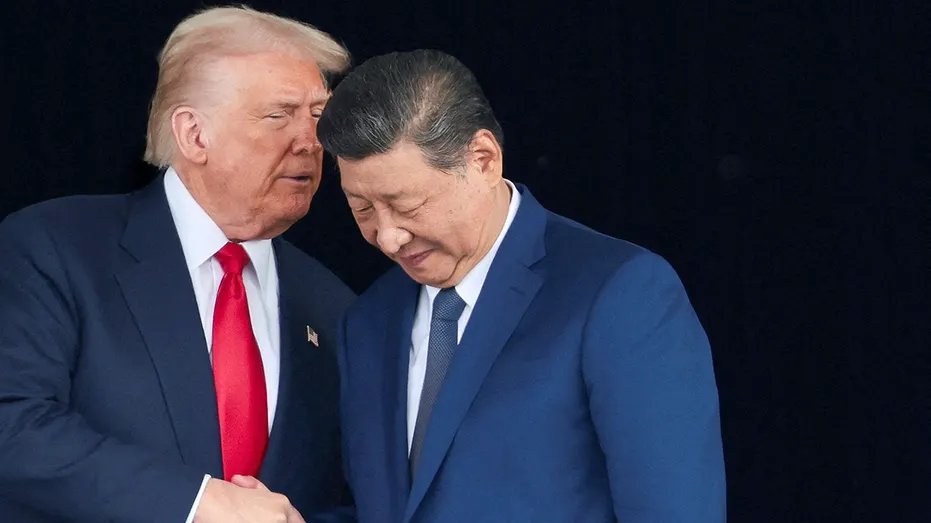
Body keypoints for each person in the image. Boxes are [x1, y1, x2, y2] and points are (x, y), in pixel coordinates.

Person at [317, 49, 727, 522]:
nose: (387, 236)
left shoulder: (620, 293)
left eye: (407, 205)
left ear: (483, 160)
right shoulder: (368, 320)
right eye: (362, 209)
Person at [0, 6, 354, 522]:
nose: (311, 141)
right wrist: (195, 501)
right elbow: (12, 423)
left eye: (319, 116)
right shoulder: (54, 248)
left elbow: (351, 496)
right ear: (194, 134)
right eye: (280, 115)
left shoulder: (334, 307)